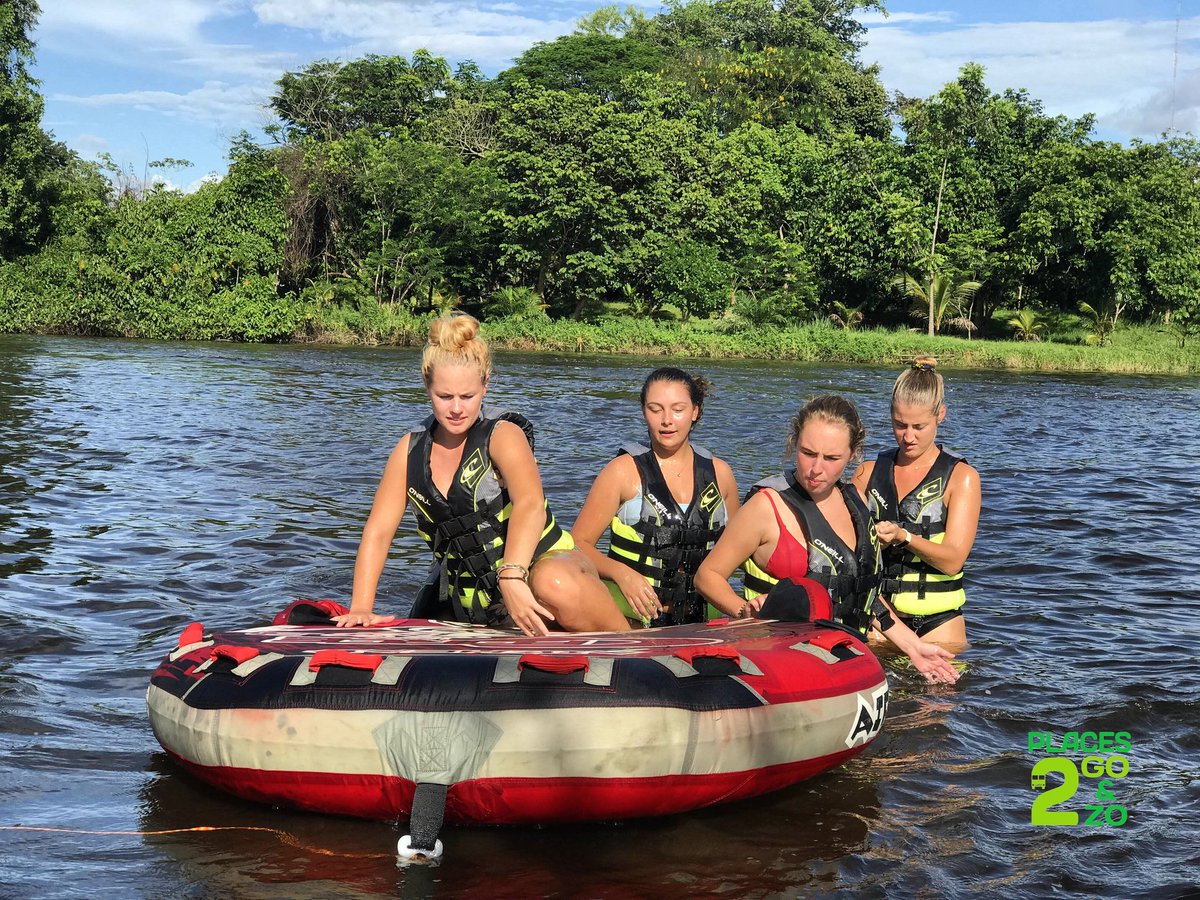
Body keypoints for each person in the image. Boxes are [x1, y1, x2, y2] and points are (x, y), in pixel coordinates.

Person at [334, 313, 630, 636]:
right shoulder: (408, 453)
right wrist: (361, 607)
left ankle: (630, 642)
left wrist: (512, 575)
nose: (456, 408)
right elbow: (378, 531)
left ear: (485, 385)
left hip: (546, 568)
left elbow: (530, 503)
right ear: (426, 386)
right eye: (444, 396)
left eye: (468, 396)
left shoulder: (503, 436)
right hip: (479, 598)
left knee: (551, 582)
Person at [694, 395, 959, 684]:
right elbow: (708, 576)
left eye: (832, 458)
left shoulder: (855, 501)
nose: (816, 469)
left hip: (844, 660)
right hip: (782, 666)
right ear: (795, 443)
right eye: (808, 453)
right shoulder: (766, 507)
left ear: (853, 454)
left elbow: (863, 595)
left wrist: (913, 647)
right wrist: (742, 610)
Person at [571, 368, 740, 626]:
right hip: (632, 617)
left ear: (695, 411)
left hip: (705, 619)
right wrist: (622, 574)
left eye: (678, 409)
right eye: (655, 409)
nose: (667, 420)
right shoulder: (621, 472)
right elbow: (578, 544)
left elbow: (739, 549)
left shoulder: (721, 475)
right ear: (643, 412)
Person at [852, 357, 980, 649]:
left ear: (941, 415)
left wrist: (903, 537)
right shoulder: (867, 473)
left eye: (919, 426)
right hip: (879, 623)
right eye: (900, 425)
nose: (908, 437)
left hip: (938, 625)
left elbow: (952, 560)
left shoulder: (962, 478)